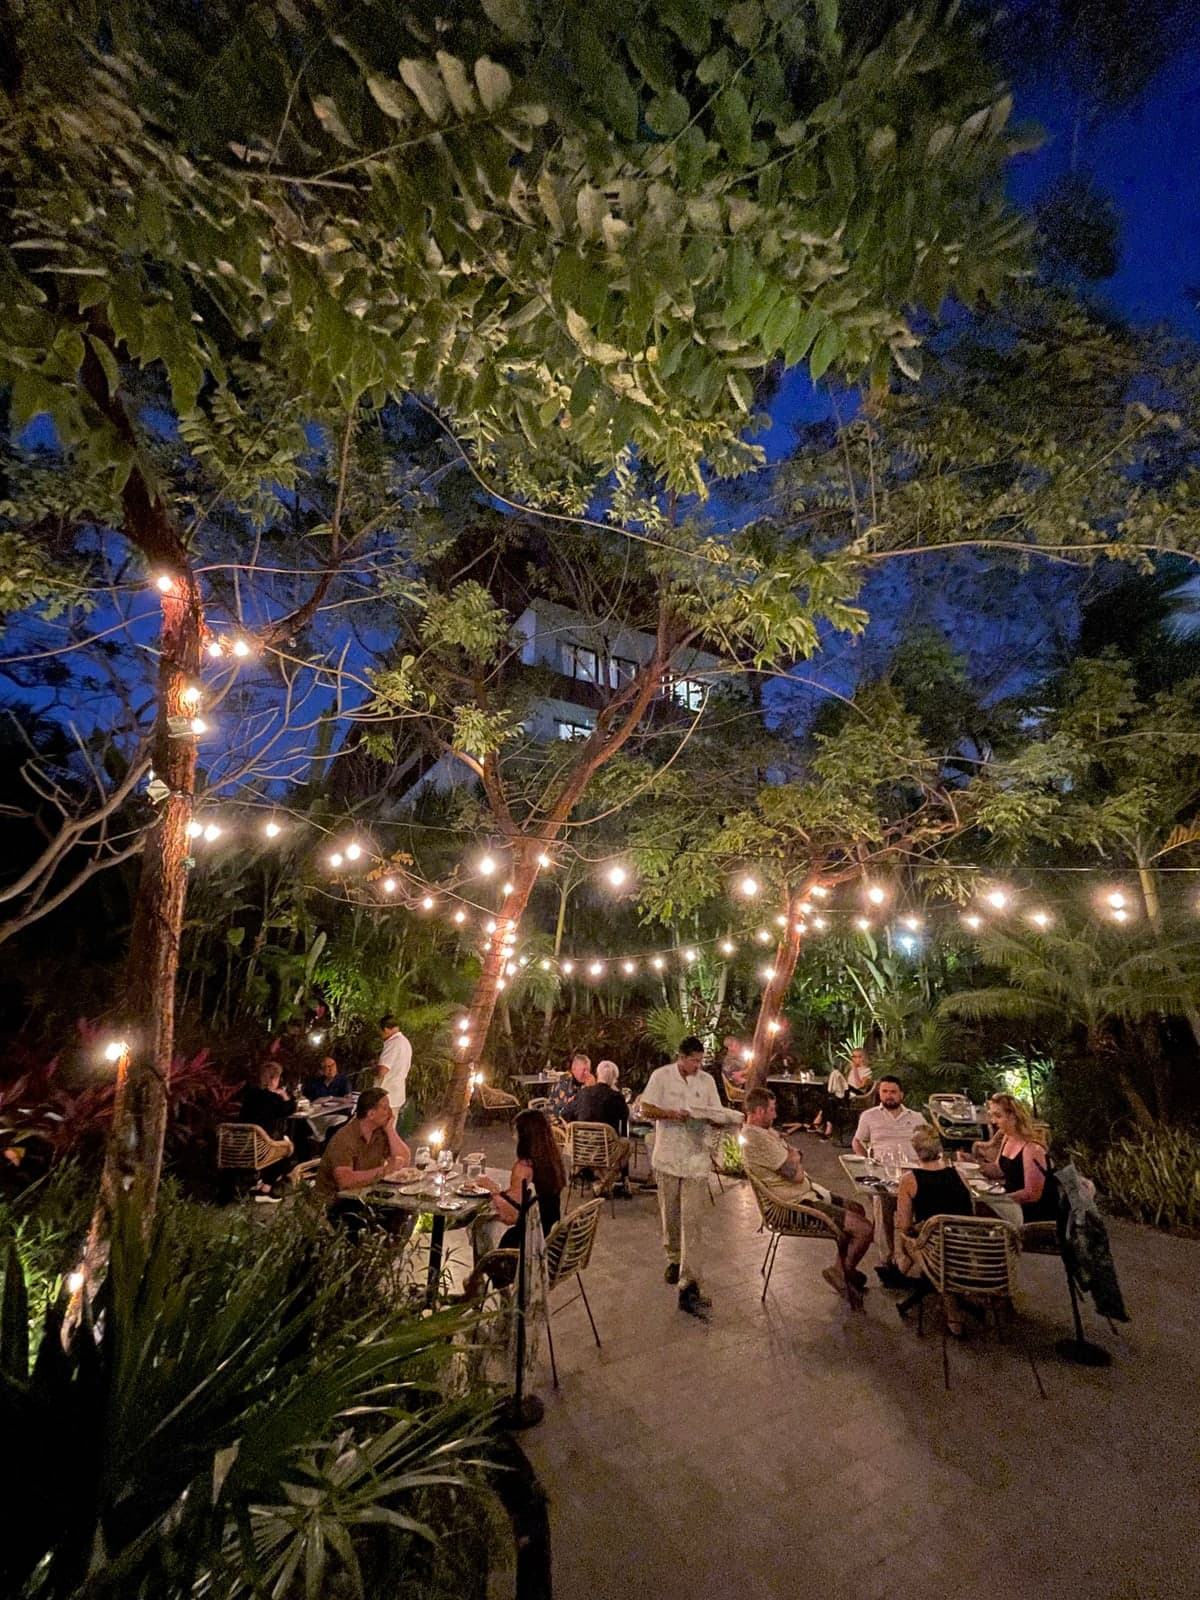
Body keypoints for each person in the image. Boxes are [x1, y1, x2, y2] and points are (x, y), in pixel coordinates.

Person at [740, 1089, 874, 1309]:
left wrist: (794, 1156)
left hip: (807, 1193)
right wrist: (794, 1156)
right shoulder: (756, 1138)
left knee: (857, 1209)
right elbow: (796, 1174)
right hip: (793, 1205)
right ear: (759, 1111)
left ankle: (844, 1268)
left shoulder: (765, 1133)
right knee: (864, 1229)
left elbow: (796, 1155)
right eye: (772, 1110)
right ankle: (841, 1272)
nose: (775, 1115)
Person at [641, 1035, 729, 1318]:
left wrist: (715, 1118)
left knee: (692, 1221)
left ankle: (688, 1283)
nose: (697, 1065)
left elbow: (716, 1112)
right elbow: (645, 1108)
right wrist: (671, 1114)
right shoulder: (661, 1077)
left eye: (700, 1060)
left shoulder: (706, 1081)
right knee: (671, 1214)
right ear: (681, 1057)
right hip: (668, 1157)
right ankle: (672, 1257)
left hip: (696, 1160)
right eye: (693, 1060)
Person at [469, 1110, 567, 1291]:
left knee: (480, 1225)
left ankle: (477, 1283)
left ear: (524, 1136)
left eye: (516, 1132)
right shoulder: (552, 1160)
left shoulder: (524, 1167)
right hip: (550, 1237)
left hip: (525, 1244)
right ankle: (476, 1283)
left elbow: (511, 1214)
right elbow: (521, 1199)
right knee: (486, 1225)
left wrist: (491, 1189)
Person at [894, 1122, 976, 1333]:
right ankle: (901, 1269)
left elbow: (905, 1226)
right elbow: (971, 1212)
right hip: (965, 1247)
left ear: (914, 1150)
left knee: (904, 1234)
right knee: (930, 1236)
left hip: (934, 1252)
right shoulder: (959, 1174)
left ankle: (900, 1268)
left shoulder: (909, 1180)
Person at [852, 1076, 927, 1285]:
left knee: (921, 1205)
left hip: (911, 1173)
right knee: (880, 1202)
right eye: (884, 1091)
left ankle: (913, 1255)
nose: (889, 1095)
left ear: (901, 1094)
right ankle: (888, 1258)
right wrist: (866, 1160)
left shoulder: (917, 1117)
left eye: (893, 1092)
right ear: (879, 1094)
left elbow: (929, 1144)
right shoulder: (869, 1116)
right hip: (883, 1173)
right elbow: (857, 1141)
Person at [315, 1087, 410, 1206]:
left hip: (364, 1196)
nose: (390, 1112)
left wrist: (390, 1130)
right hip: (336, 1203)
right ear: (371, 1114)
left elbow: (405, 1160)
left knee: (402, 1211)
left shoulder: (380, 1132)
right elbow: (345, 1181)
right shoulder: (344, 1138)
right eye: (385, 1108)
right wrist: (385, 1170)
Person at [973, 1092, 1057, 1222]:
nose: (993, 1121)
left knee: (978, 1214)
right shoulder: (1008, 1138)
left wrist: (999, 1201)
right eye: (992, 1116)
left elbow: (1032, 1194)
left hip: (1033, 1214)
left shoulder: (1032, 1148)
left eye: (998, 1116)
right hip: (1013, 1205)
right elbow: (998, 1170)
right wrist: (973, 1165)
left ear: (1013, 1117)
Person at [563, 1059, 631, 1194]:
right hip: (605, 1149)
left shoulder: (582, 1093)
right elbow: (625, 1116)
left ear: (597, 1074)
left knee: (599, 1150)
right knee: (627, 1146)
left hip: (580, 1149)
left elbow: (566, 1114)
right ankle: (604, 1182)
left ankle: (591, 1173)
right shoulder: (616, 1097)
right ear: (614, 1079)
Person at [376, 1014, 412, 1123]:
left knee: (382, 1132)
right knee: (390, 1131)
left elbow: (383, 1070)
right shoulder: (405, 1042)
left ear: (386, 1029)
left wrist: (374, 1069)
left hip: (386, 1095)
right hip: (396, 1094)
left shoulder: (393, 1043)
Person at [547, 1051, 594, 1119]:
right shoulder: (565, 1081)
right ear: (573, 1069)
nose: (586, 1073)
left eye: (588, 1070)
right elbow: (567, 1109)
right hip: (559, 1119)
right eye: (583, 1070)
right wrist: (587, 1089)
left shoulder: (587, 1081)